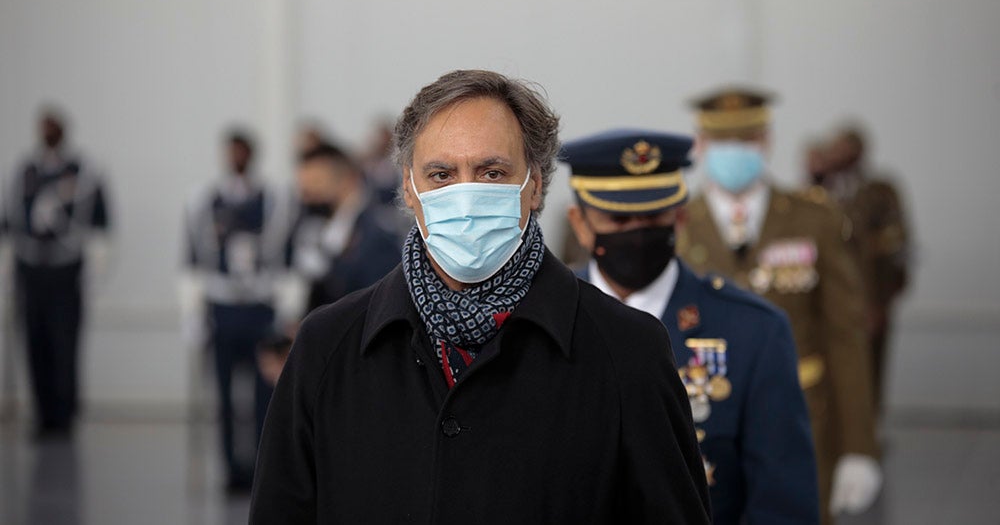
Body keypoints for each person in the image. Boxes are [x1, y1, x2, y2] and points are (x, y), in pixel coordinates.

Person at [250, 70, 711, 524]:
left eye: (492, 172)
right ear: (409, 188)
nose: (465, 195)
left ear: (533, 185)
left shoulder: (626, 351)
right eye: (441, 174)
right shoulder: (328, 346)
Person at [562, 128, 818, 524]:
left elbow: (782, 503)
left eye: (653, 216)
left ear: (679, 218)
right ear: (580, 223)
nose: (637, 232)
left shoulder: (754, 331)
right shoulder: (545, 318)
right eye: (618, 218)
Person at [678, 88, 881, 523]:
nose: (734, 151)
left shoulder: (815, 219)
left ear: (767, 141)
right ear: (700, 144)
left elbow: (844, 336)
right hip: (703, 423)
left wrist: (859, 446)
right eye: (721, 141)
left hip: (803, 423)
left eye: (746, 139)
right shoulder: (676, 225)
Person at [180, 128, 295, 492]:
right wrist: (192, 313)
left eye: (243, 151)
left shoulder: (274, 200)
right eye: (232, 151)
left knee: (266, 396)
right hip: (223, 307)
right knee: (226, 397)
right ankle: (231, 469)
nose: (237, 158)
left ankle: (263, 467)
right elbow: (192, 260)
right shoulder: (204, 200)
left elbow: (287, 260)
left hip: (261, 307)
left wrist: (287, 309)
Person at [2, 108, 112, 439]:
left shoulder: (83, 173)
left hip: (66, 270)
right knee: (34, 342)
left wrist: (93, 273)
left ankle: (64, 416)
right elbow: (10, 225)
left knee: (65, 344)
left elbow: (100, 228)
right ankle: (42, 413)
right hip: (31, 269)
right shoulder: (24, 172)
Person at [823, 125, 910, 412]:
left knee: (869, 374)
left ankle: (868, 438)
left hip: (870, 299)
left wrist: (879, 302)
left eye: (844, 148)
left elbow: (894, 246)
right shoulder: (821, 191)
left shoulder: (879, 191)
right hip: (830, 302)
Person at [292, 142, 402, 316]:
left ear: (347, 180)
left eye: (316, 183)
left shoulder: (377, 237)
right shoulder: (318, 228)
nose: (308, 197)